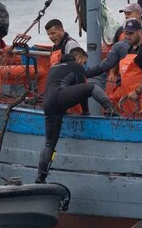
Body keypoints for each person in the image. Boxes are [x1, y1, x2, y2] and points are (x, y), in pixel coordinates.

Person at [36, 47, 116, 183]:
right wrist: (86, 112)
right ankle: (109, 108)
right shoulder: (75, 66)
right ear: (78, 58)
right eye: (84, 62)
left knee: (49, 143)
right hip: (61, 97)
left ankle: (41, 177)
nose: (84, 66)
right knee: (91, 86)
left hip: (48, 104)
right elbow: (83, 92)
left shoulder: (55, 67)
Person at [107, 18, 142, 115]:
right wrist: (124, 92)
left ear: (140, 32)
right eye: (126, 33)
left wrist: (137, 92)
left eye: (131, 33)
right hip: (130, 98)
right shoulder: (131, 48)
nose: (127, 36)